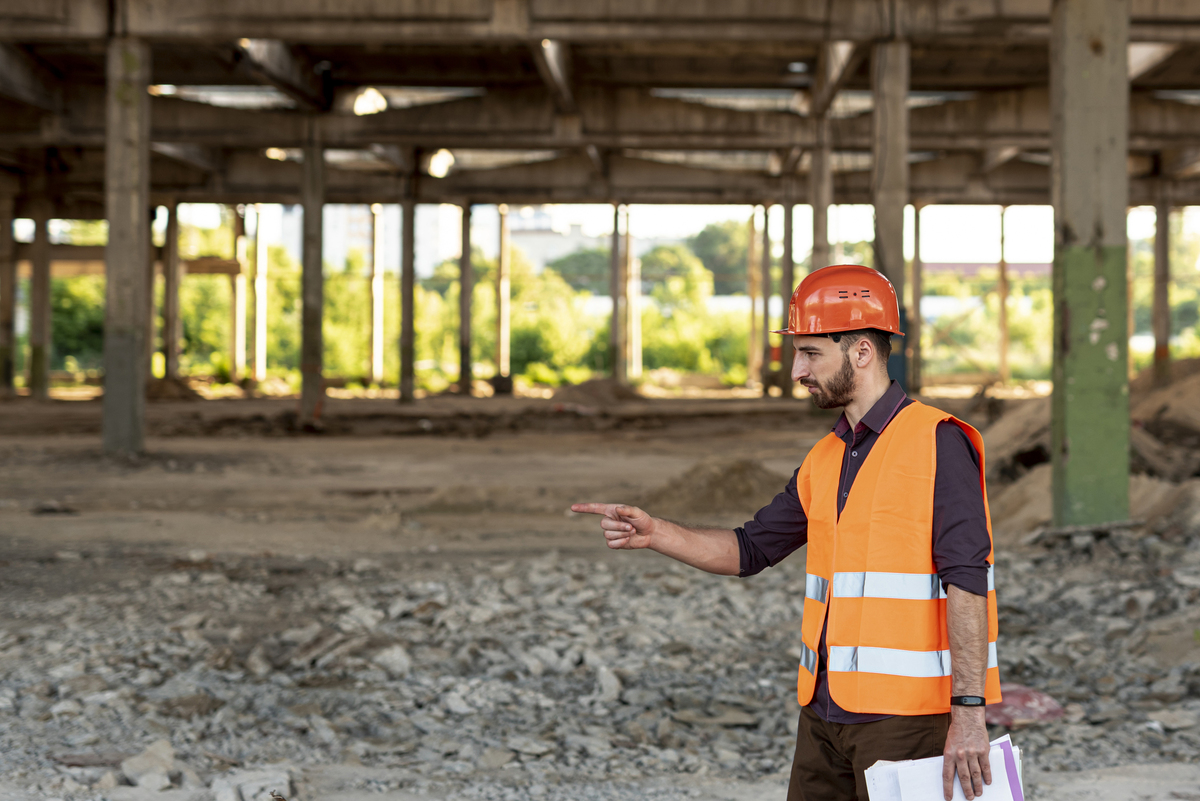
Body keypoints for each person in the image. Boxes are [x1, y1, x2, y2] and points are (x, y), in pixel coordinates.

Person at [573, 265, 1000, 801]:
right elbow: (749, 549)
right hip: (824, 714)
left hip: (907, 719)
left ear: (862, 352)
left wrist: (968, 713)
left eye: (811, 353)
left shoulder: (938, 442)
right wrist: (656, 532)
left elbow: (968, 581)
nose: (797, 369)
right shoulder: (827, 456)